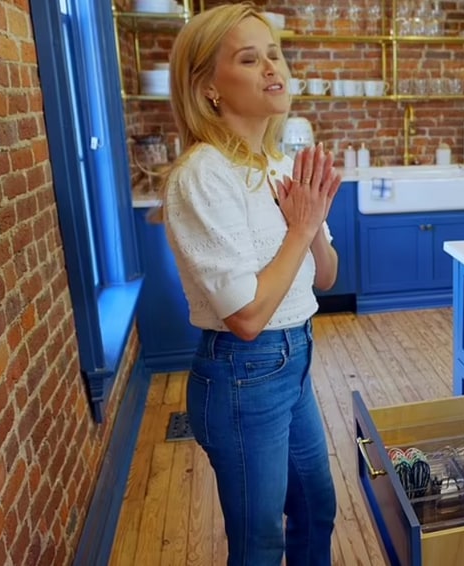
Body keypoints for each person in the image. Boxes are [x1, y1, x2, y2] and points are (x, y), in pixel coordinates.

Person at [160, 3, 341, 565]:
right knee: (260, 541)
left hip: (296, 361)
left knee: (317, 509)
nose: (272, 67)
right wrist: (303, 226)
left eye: (274, 53)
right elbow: (245, 318)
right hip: (243, 375)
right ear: (209, 87)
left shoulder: (280, 165)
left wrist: (308, 226)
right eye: (248, 58)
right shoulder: (202, 174)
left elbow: (327, 277)